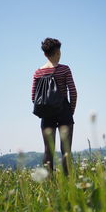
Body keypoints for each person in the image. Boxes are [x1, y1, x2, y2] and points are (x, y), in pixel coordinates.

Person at [32, 38, 77, 176]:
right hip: (64, 111)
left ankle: (49, 182)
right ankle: (68, 181)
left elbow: (33, 97)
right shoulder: (64, 69)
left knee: (48, 150)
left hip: (46, 113)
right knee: (66, 149)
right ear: (58, 52)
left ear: (45, 54)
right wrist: (71, 111)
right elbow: (73, 92)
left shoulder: (37, 73)